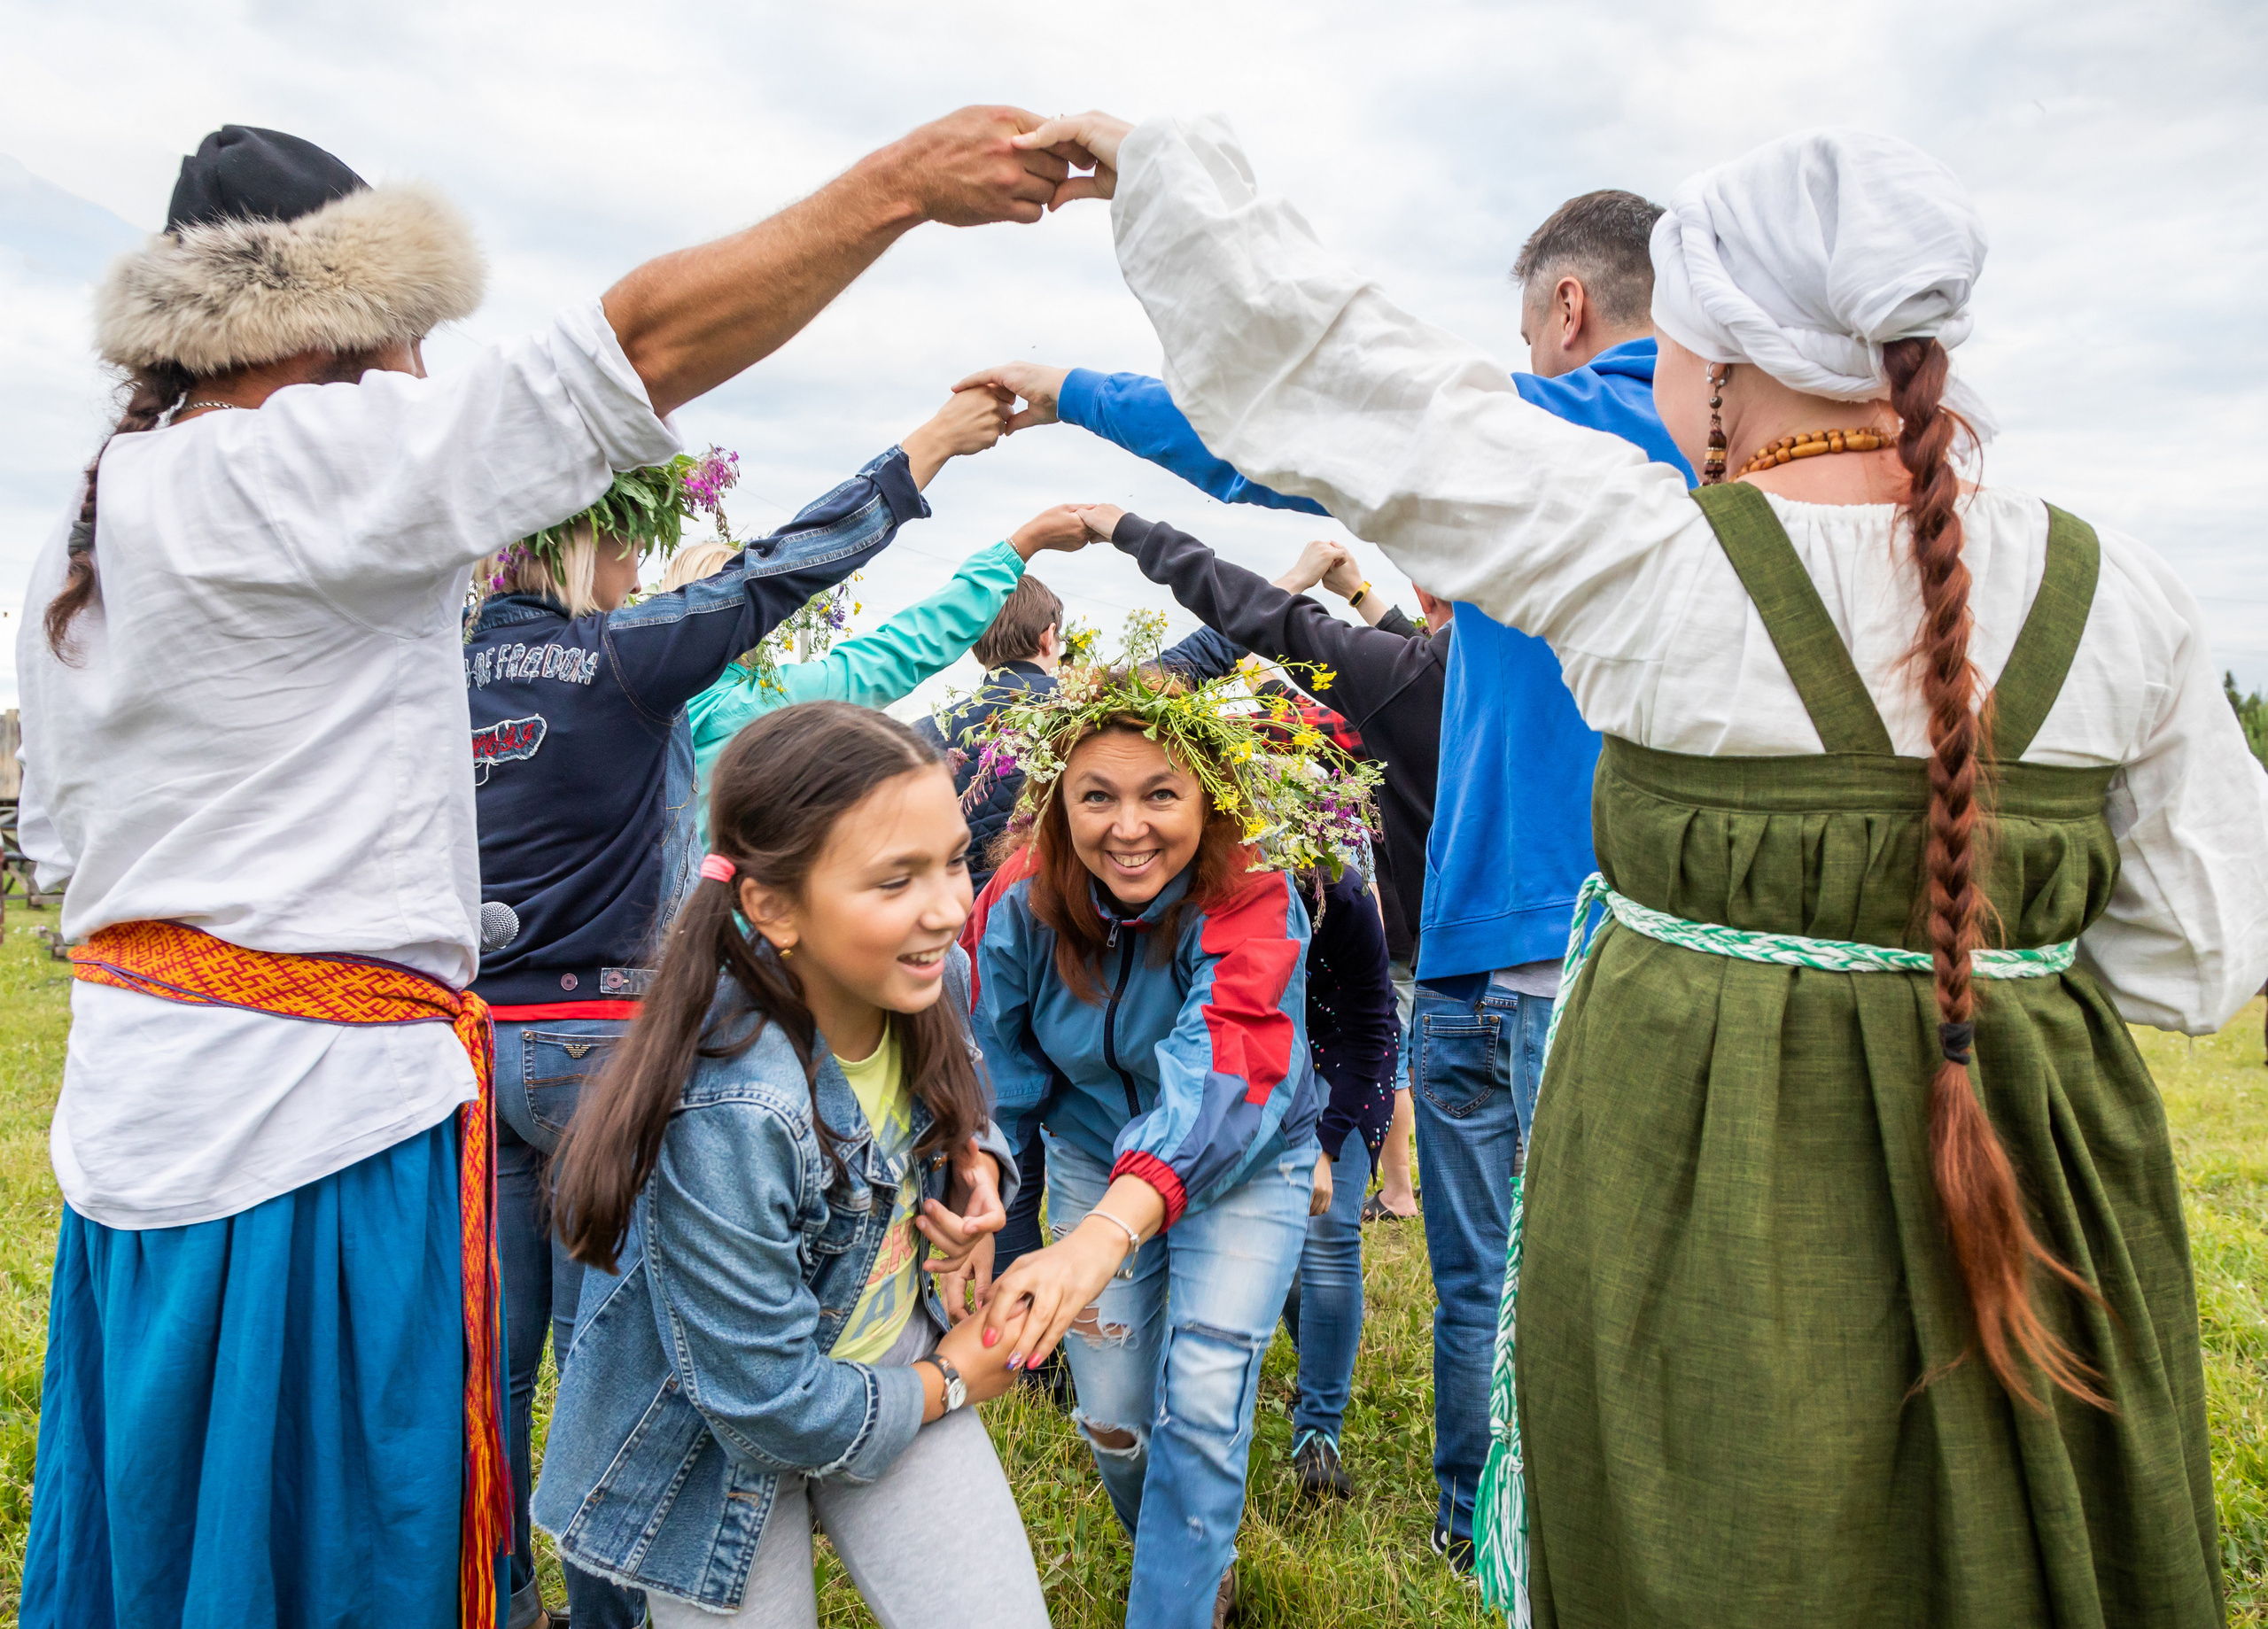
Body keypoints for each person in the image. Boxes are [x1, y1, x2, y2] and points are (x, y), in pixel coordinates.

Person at [1028, 111, 2268, 1625]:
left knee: (1721, 1525)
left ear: (1719, 357)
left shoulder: (1642, 556)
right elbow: (2197, 951)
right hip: (2037, 1155)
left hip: (1706, 1171)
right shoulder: (2122, 587)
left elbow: (1343, 389)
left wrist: (1159, 169)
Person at [15, 110, 1069, 1629]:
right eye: (407, 346)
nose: (425, 385)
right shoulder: (289, 460)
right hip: (305, 1131)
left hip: (139, 1115)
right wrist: (899, 190)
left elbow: (61, 842)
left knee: (184, 1522)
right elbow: (628, 350)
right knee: (343, 1530)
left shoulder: (98, 510)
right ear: (334, 324)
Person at [955, 186, 1689, 1563]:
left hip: (1488, 964)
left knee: (1483, 1292)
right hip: (1589, 952)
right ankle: (1568, 1543)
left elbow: (1306, 430)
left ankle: (1483, 1533)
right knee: (1616, 1293)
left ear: (1568, 307)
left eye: (1527, 328)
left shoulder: (1566, 445)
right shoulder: (1728, 465)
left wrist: (1077, 398)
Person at [469, 393, 1011, 1629]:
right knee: (629, 1328)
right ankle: (617, 1607)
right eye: (623, 550)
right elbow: (787, 579)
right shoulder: (617, 661)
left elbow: (947, 1108)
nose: (635, 576)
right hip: (608, 1041)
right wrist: (925, 455)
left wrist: (977, 1161)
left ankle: (497, 1594)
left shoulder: (437, 673)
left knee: (499, 1356)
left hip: (464, 1041)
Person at [533, 702, 1044, 1629]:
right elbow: (769, 1405)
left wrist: (975, 1169)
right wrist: (952, 1380)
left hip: (884, 1350)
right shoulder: (730, 1112)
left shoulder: (929, 977)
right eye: (895, 881)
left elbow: (960, 1098)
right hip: (718, 1445)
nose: (947, 907)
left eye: (955, 859)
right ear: (773, 906)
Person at [959, 622, 1371, 1628]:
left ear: (1207, 800)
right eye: (1097, 795)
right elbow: (985, 1067)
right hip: (1093, 1150)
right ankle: (1184, 1555)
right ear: (1059, 800)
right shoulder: (1017, 903)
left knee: (1202, 1397)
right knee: (1112, 1419)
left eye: (1160, 795)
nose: (1127, 827)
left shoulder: (1256, 895)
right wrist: (972, 1185)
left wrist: (1099, 1237)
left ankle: (1179, 1601)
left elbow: (1224, 1069)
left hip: (1244, 1164)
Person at [657, 502, 1098, 857]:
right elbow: (898, 651)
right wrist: (1019, 548)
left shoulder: (626, 700)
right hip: (735, 942)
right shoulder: (753, 706)